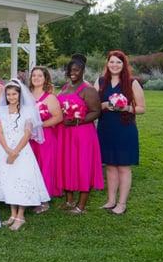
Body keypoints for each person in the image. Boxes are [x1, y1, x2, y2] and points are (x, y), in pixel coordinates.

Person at [0, 79, 50, 231]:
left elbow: (27, 133)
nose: (11, 97)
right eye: (9, 94)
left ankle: (21, 215)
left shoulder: (27, 111)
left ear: (20, 95)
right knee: (9, 179)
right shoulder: (2, 110)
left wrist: (16, 151)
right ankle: (12, 214)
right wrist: (7, 150)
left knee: (22, 179)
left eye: (14, 94)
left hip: (21, 150)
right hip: (4, 149)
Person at [95, 50, 145, 215]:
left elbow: (141, 108)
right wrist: (103, 105)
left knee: (123, 167)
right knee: (110, 166)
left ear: (124, 65)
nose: (114, 65)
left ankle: (122, 204)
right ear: (107, 64)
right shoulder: (101, 82)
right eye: (112, 62)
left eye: (118, 62)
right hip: (106, 129)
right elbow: (93, 106)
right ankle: (110, 200)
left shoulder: (132, 83)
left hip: (125, 129)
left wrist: (126, 107)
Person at [56, 54, 104, 214]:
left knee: (83, 166)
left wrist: (78, 121)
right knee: (66, 164)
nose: (73, 73)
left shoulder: (88, 90)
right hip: (65, 134)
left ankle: (81, 205)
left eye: (76, 70)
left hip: (82, 134)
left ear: (83, 70)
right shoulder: (64, 88)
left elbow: (96, 112)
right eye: (70, 70)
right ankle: (69, 200)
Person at [28, 66, 63, 213]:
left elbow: (58, 117)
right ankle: (30, 195)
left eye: (40, 76)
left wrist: (40, 125)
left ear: (45, 79)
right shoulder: (26, 96)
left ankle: (44, 199)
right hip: (28, 137)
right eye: (34, 75)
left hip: (46, 138)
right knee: (31, 165)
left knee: (45, 165)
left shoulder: (50, 98)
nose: (36, 78)